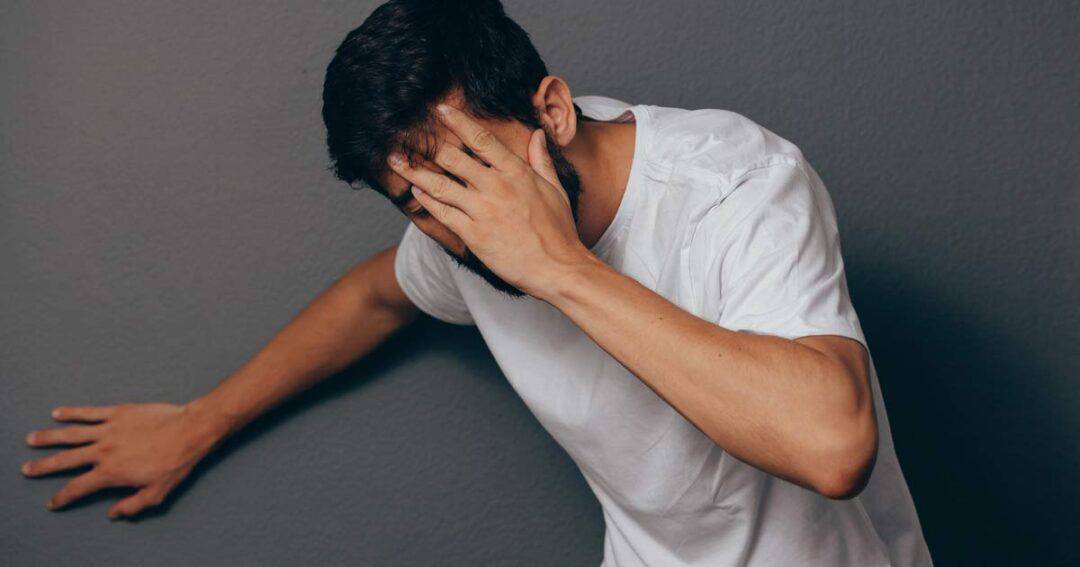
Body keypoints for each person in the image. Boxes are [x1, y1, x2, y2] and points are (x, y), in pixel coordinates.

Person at [21, 1, 932, 565]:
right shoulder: (457, 238)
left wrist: (558, 267)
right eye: (416, 201)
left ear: (552, 110)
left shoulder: (736, 179)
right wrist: (198, 420)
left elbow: (832, 446)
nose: (458, 221)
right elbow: (375, 294)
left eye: (467, 177)